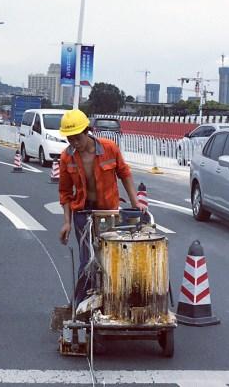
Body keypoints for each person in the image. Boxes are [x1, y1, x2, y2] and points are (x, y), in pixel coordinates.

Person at [57, 109, 138, 308]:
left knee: (110, 257)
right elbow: (65, 192)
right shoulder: (67, 157)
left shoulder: (109, 148)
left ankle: (112, 302)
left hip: (107, 213)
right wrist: (67, 222)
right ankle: (80, 306)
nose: (74, 143)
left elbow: (124, 173)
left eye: (77, 138)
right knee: (87, 261)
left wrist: (135, 202)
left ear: (87, 131)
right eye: (70, 139)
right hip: (82, 214)